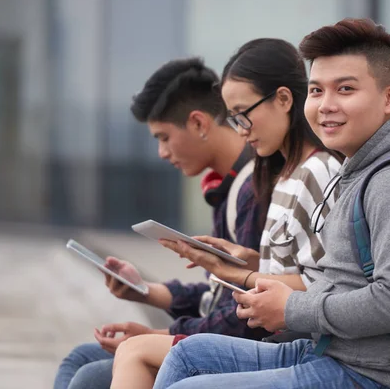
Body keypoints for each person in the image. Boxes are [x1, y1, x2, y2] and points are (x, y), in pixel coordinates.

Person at [153, 18, 390, 389]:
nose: (326, 105)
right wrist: (251, 268)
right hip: (330, 350)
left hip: (373, 375)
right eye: (316, 91)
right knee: (187, 355)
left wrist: (290, 308)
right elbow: (340, 278)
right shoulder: (359, 168)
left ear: (389, 98)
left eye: (345, 89)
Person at [110, 38, 343, 389]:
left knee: (137, 356)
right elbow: (294, 273)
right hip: (281, 340)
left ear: (283, 99)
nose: (241, 128)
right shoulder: (282, 176)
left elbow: (325, 286)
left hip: (294, 344)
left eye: (243, 114)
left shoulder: (317, 173)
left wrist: (243, 275)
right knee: (131, 355)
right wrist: (240, 265)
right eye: (234, 118)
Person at [53, 57, 268, 389]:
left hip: (236, 351)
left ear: (198, 123)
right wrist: (145, 291)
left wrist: (156, 335)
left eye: (164, 137)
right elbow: (219, 295)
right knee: (82, 358)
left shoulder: (251, 190)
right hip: (217, 338)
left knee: (88, 376)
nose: (161, 153)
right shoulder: (225, 187)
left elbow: (243, 316)